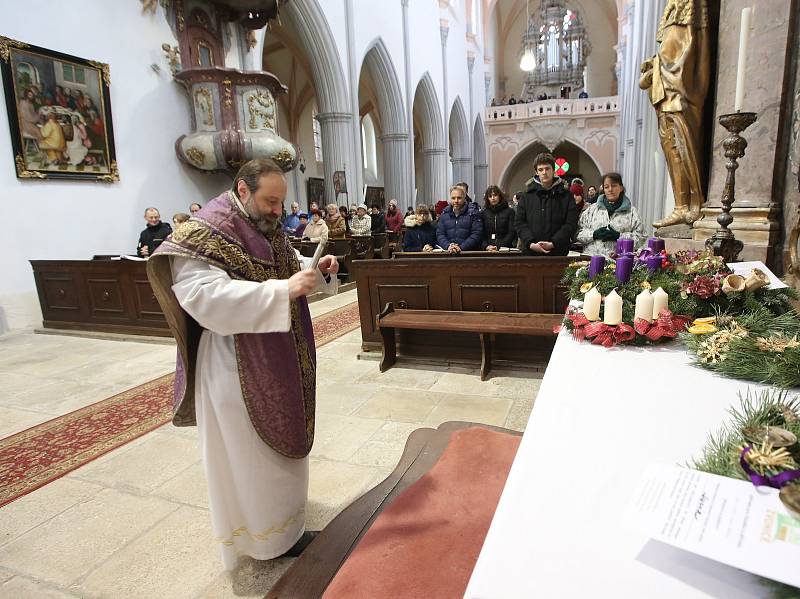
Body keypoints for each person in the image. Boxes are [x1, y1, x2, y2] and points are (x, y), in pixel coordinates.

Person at [147, 159, 338, 571]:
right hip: (235, 367)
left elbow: (282, 272)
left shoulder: (262, 226)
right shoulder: (205, 233)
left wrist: (313, 270)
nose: (277, 211)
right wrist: (283, 289)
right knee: (251, 462)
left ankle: (287, 531)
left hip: (278, 357)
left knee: (281, 459)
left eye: (281, 202)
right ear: (243, 189)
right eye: (270, 201)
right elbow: (204, 299)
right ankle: (261, 542)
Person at [640, 0, 710, 227]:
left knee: (685, 151)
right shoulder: (672, 19)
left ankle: (695, 202)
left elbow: (684, 64)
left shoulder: (688, 18)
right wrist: (654, 68)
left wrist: (656, 66)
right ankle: (681, 206)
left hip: (678, 99)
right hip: (665, 101)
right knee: (672, 155)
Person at [515, 152, 578, 256]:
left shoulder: (566, 195)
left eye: (547, 168)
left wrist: (553, 243)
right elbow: (519, 223)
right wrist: (531, 243)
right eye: (540, 169)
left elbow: (571, 223)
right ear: (536, 172)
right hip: (531, 252)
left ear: (553, 170)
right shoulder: (527, 195)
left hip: (558, 251)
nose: (544, 172)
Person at [576, 172, 644, 256]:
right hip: (591, 261)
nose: (610, 189)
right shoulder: (591, 210)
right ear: (603, 189)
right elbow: (578, 233)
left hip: (619, 263)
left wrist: (619, 236)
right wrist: (594, 234)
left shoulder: (631, 212)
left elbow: (641, 237)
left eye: (614, 185)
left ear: (621, 188)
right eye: (606, 187)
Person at [436, 185, 484, 253]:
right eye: (453, 198)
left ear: (464, 198)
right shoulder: (445, 214)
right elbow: (440, 234)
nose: (456, 201)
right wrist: (448, 246)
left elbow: (476, 233)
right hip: (449, 253)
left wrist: (461, 247)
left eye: (459, 198)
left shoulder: (473, 213)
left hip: (468, 254)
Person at [481, 186, 516, 251]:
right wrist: (486, 246)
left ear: (500, 196)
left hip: (505, 248)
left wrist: (499, 246)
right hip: (488, 248)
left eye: (495, 195)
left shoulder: (510, 211)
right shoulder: (484, 213)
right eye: (490, 196)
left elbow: (512, 232)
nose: (493, 198)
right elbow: (481, 233)